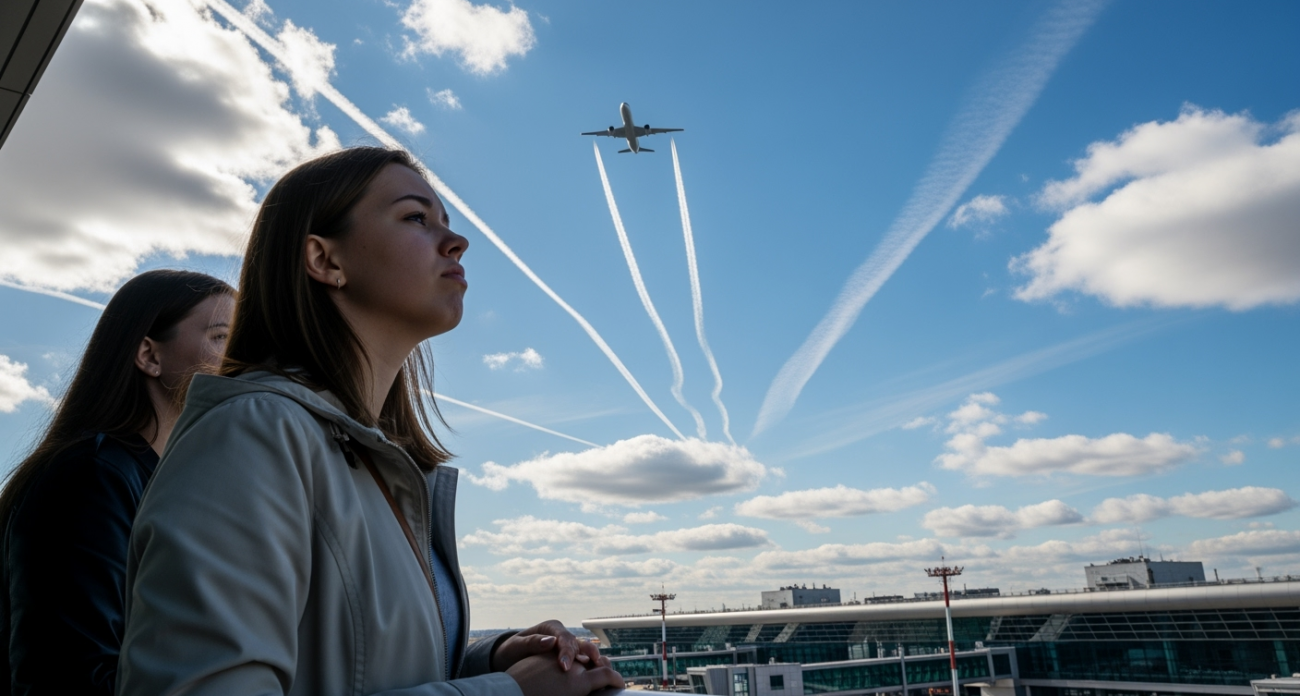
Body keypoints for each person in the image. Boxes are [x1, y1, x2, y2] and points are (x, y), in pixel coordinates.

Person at [118, 147, 625, 696]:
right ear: (325, 260)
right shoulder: (252, 431)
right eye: (415, 218)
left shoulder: (368, 456)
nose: (457, 242)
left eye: (447, 223)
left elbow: (359, 669)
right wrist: (512, 693)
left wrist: (494, 659)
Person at [0, 269, 235, 696]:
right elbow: (69, 674)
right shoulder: (91, 474)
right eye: (221, 337)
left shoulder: (167, 480)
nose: (241, 357)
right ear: (149, 355)